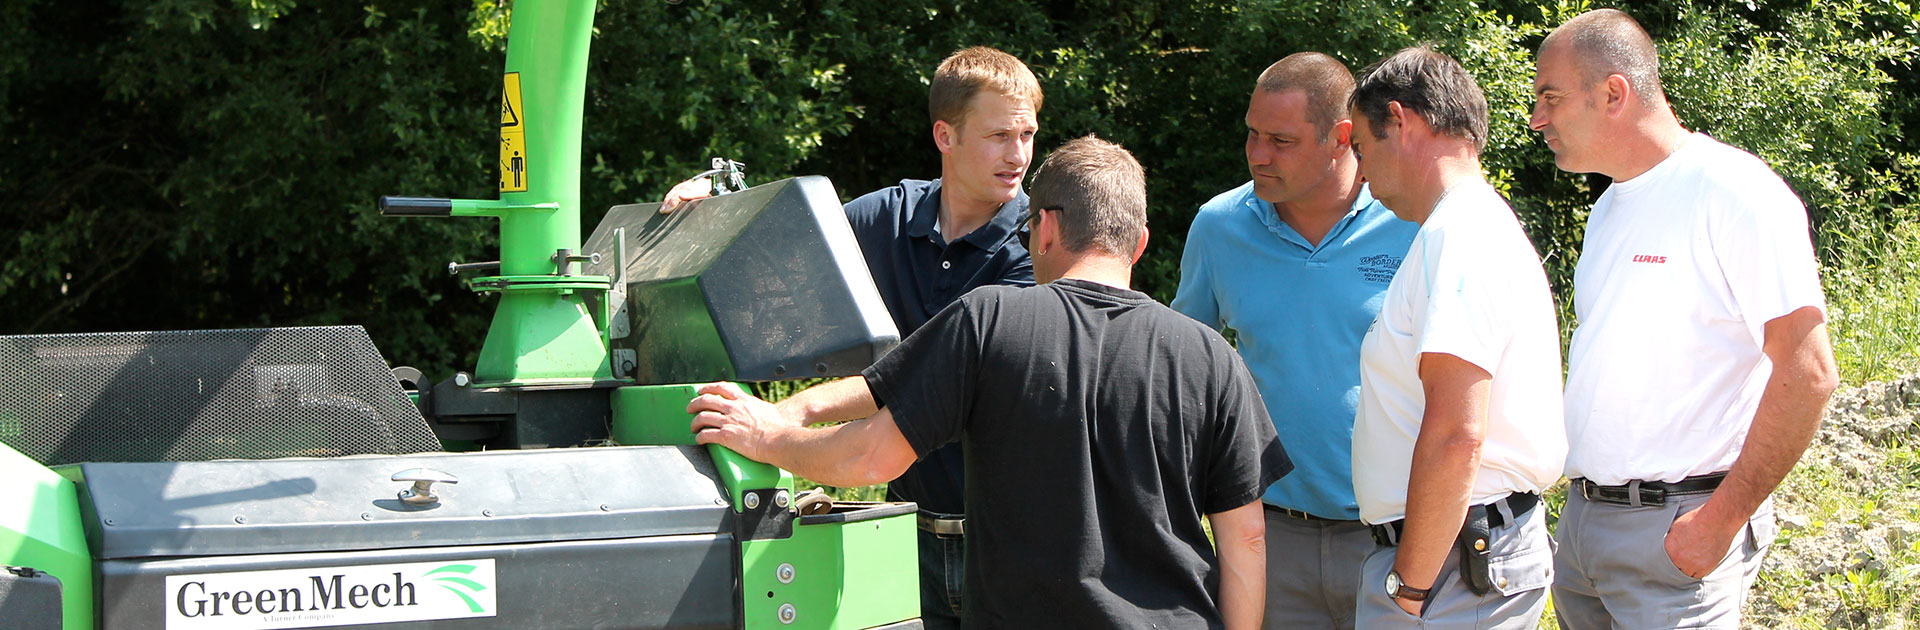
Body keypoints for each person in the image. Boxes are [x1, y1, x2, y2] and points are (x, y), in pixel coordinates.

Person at [688, 135, 1291, 630]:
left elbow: (871, 455)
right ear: (1139, 243)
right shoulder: (1212, 357)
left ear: (1045, 228)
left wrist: (765, 437)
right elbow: (1248, 539)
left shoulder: (991, 319)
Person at [663, 46, 1040, 628]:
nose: (1017, 155)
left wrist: (792, 413)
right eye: (998, 136)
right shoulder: (888, 217)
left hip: (1012, 548)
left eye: (1027, 135)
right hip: (902, 534)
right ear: (945, 135)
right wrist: (712, 214)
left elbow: (932, 372)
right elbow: (779, 255)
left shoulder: (1036, 250)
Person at [1529, 10, 1839, 628]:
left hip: (1677, 533)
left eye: (1551, 98)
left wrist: (1718, 523)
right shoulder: (1609, 208)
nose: (1537, 119)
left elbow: (1809, 373)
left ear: (1614, 92)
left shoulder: (1735, 193)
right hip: (1587, 527)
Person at [1171, 51, 1417, 630]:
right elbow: (1182, 370)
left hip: (1395, 536)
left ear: (1342, 137)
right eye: (1252, 134)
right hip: (1266, 533)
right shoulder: (1219, 225)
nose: (1258, 154)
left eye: (1281, 140)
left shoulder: (1413, 220)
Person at [1345, 46, 1567, 629]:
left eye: (1363, 149)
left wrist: (1410, 586)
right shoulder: (1463, 228)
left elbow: (1456, 432)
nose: (1361, 176)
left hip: (1450, 563)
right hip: (1455, 553)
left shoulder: (1461, 235)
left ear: (1403, 120)